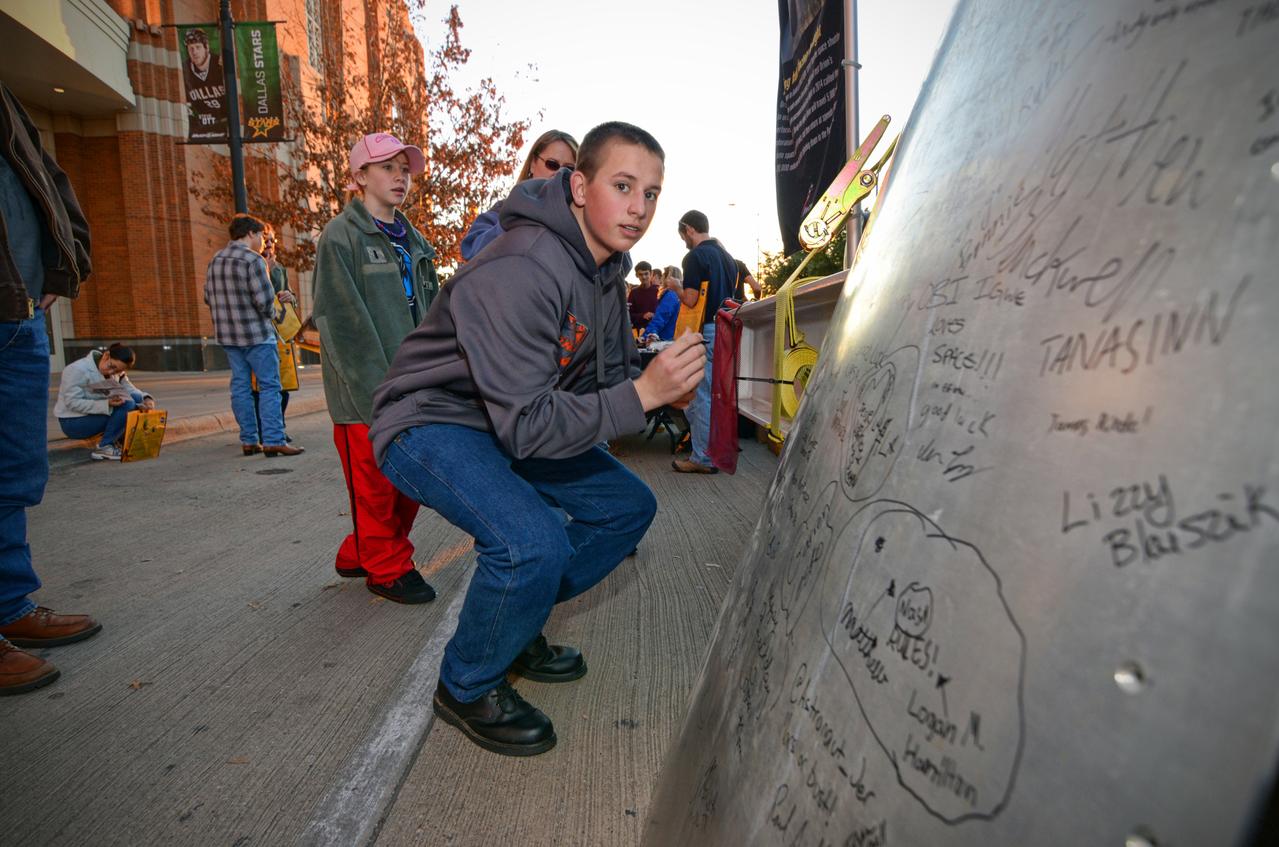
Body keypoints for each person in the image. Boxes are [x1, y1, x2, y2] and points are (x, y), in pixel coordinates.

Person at [369, 121, 705, 756]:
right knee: (532, 543)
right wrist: (644, 395)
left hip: (510, 418)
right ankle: (465, 685)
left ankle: (512, 624)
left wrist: (656, 379)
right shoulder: (524, 264)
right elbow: (526, 424)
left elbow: (600, 378)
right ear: (578, 186)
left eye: (653, 193)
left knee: (626, 509)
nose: (639, 208)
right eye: (623, 185)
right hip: (431, 420)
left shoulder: (606, 266)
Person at [0, 81, 101, 695]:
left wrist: (67, 261)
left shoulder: (7, 100)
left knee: (15, 471)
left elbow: (45, 179)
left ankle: (10, 603)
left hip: (20, 308)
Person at [312, 132, 440, 604]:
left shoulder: (415, 240)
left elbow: (430, 315)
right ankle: (386, 568)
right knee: (376, 488)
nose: (400, 176)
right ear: (359, 175)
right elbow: (342, 324)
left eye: (404, 168)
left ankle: (358, 552)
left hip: (414, 388)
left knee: (409, 482)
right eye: (387, 167)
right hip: (364, 396)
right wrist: (375, 397)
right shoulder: (340, 236)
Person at [203, 214, 304, 457]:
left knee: (240, 387)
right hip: (257, 335)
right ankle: (273, 439)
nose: (262, 241)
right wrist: (275, 311)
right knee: (270, 386)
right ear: (250, 233)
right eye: (260, 235)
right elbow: (265, 303)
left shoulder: (216, 259)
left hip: (228, 336)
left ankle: (249, 440)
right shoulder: (253, 260)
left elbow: (208, 297)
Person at [673, 209, 738, 474]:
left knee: (700, 394)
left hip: (707, 328)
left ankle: (702, 458)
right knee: (716, 394)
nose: (684, 242)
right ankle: (714, 451)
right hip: (727, 326)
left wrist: (675, 285)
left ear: (689, 229)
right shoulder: (728, 257)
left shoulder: (695, 256)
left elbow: (689, 299)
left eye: (682, 235)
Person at [460, 129, 578, 261]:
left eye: (568, 169)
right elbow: (471, 250)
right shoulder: (501, 212)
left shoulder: (580, 225)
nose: (558, 174)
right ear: (533, 164)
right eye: (552, 164)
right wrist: (516, 217)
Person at [55, 343, 156, 461]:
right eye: (111, 366)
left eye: (116, 371)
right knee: (128, 405)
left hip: (96, 415)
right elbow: (72, 403)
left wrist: (147, 399)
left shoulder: (117, 371)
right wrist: (106, 404)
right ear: (106, 355)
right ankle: (105, 446)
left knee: (137, 398)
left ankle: (122, 440)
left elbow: (130, 389)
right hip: (73, 422)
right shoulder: (76, 370)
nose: (111, 372)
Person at [251, 225, 295, 442]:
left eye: (272, 241)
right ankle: (262, 431)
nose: (269, 245)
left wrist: (290, 296)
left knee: (283, 385)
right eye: (265, 241)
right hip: (257, 333)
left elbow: (288, 295)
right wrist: (264, 271)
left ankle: (278, 426)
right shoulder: (252, 266)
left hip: (279, 332)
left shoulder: (280, 269)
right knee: (260, 387)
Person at [181, 27, 228, 142]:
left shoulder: (220, 65)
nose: (194, 52)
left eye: (198, 47)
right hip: (200, 129)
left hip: (223, 125)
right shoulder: (184, 68)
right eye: (190, 48)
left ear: (207, 47)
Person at [642, 266, 684, 344]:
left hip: (665, 340)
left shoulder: (671, 294)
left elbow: (661, 317)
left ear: (669, 277)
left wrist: (645, 336)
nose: (662, 278)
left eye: (663, 275)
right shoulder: (679, 294)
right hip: (674, 339)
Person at [627, 260, 660, 332]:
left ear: (651, 273)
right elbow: (629, 315)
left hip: (656, 331)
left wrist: (654, 315)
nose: (644, 277)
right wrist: (643, 315)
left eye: (646, 274)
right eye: (641, 274)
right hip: (639, 332)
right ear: (636, 275)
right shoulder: (633, 293)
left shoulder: (658, 291)